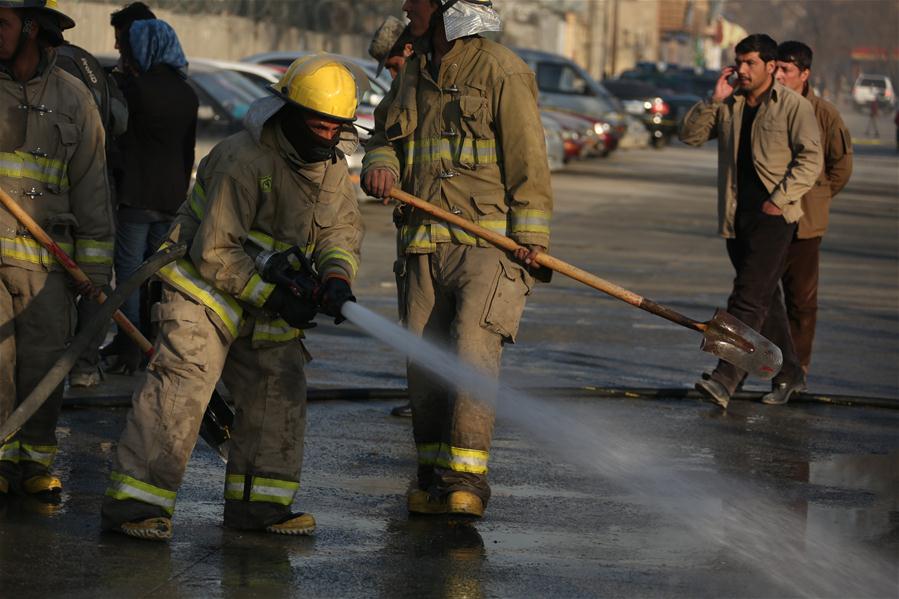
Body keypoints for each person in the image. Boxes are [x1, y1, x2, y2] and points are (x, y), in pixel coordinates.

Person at [100, 54, 364, 541]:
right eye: (319, 124)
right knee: (183, 384)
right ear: (288, 114)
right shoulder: (244, 160)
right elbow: (217, 252)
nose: (329, 136)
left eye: (337, 127)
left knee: (279, 388)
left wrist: (335, 279)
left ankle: (258, 507)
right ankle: (136, 504)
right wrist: (279, 297)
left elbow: (340, 233)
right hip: (202, 288)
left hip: (265, 295)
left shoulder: (330, 167)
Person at [361, 0, 552, 518]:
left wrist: (532, 239)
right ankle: (429, 475)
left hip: (486, 247)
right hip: (422, 243)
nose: (406, 7)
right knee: (424, 363)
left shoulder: (501, 70)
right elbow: (383, 135)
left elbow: (529, 161)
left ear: (451, 6)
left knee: (472, 355)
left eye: (418, 0)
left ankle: (465, 479)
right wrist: (379, 165)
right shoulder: (414, 70)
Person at [0, 0, 113, 496]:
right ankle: (0, 458)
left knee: (45, 366)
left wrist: (95, 278)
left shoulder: (74, 101)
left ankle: (35, 462)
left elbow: (92, 192)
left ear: (30, 27)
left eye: (0, 22)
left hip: (48, 268)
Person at [679, 34, 822, 409]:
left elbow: (811, 159)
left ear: (771, 67)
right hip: (735, 218)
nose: (742, 70)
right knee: (765, 301)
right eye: (738, 63)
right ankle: (791, 372)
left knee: (746, 297)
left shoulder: (793, 107)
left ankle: (727, 377)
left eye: (750, 63)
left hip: (775, 219)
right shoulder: (731, 104)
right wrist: (714, 99)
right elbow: (690, 136)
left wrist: (780, 198)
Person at [102, 15, 198, 375]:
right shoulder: (188, 93)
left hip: (136, 197)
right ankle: (154, 345)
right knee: (158, 277)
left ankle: (130, 345)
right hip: (171, 200)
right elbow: (187, 152)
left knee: (128, 277)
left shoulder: (135, 91)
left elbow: (118, 141)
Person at [761, 41, 853, 404]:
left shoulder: (824, 113)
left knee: (802, 301)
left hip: (805, 224)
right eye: (777, 69)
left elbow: (840, 167)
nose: (779, 76)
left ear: (805, 74)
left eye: (787, 70)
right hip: (769, 220)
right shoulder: (765, 106)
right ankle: (778, 369)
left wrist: (817, 198)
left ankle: (796, 374)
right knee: (762, 297)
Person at [54, 33, 129, 388]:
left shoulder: (56, 73)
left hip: (59, 196)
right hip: (98, 183)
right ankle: (83, 366)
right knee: (92, 280)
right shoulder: (89, 65)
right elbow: (121, 120)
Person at [368, 15, 416, 418]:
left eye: (394, 66)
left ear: (409, 50)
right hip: (416, 229)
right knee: (416, 323)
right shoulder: (398, 95)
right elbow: (382, 136)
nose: (391, 75)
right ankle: (424, 399)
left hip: (458, 231)